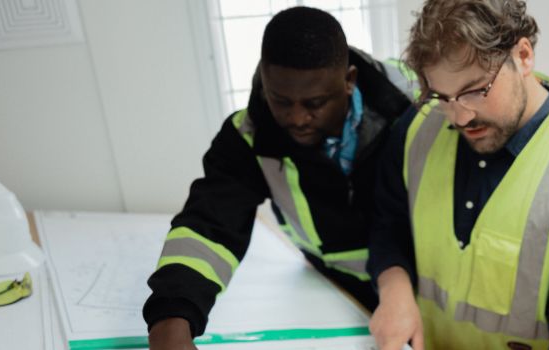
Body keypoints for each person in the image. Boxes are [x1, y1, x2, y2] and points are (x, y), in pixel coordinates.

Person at [143, 7, 416, 349]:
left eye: (315, 102)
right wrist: (172, 319)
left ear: (349, 80)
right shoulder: (247, 136)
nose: (297, 118)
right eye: (280, 100)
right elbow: (208, 226)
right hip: (331, 288)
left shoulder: (413, 104)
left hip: (417, 285)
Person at [366, 0, 549, 349]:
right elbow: (388, 226)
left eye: (475, 90)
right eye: (443, 96)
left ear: (523, 55)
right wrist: (393, 288)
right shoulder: (418, 129)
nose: (460, 117)